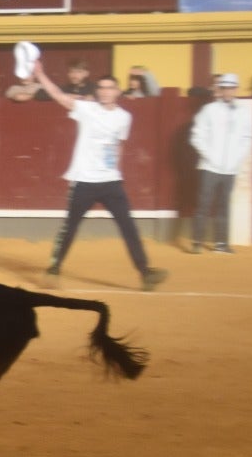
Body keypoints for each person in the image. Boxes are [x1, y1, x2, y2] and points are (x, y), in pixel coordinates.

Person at [31, 54, 168, 291]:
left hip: (111, 182)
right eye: (101, 88)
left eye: (109, 88)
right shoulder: (86, 109)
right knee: (70, 226)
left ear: (117, 92)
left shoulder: (125, 117)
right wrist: (40, 74)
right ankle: (53, 269)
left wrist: (116, 170)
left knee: (128, 226)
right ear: (98, 91)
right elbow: (57, 95)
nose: (105, 92)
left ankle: (145, 273)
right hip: (83, 180)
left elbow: (119, 146)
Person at [188, 73, 252, 253]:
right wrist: (209, 156)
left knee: (224, 205)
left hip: (230, 168)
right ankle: (197, 242)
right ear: (220, 90)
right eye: (225, 88)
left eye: (231, 88)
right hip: (209, 166)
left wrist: (236, 158)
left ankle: (221, 243)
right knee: (204, 204)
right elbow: (197, 136)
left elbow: (247, 138)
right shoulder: (209, 110)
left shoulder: (243, 113)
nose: (228, 92)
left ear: (236, 90)